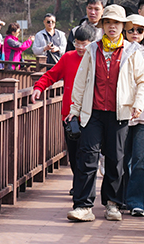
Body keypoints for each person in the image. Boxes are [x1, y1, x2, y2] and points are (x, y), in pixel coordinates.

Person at [65, 4, 144, 223]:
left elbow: (142, 81)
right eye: (108, 22)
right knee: (88, 157)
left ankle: (113, 204)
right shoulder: (92, 49)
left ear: (123, 26)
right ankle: (83, 205)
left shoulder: (132, 51)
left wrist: (137, 104)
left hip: (118, 113)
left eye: (117, 23)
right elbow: (81, 82)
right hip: (92, 112)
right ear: (102, 25)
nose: (112, 27)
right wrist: (74, 110)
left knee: (115, 159)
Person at [31, 23, 98, 193]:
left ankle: (83, 189)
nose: (81, 47)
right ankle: (79, 184)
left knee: (87, 154)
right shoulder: (68, 57)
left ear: (92, 42)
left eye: (85, 44)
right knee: (74, 154)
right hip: (70, 116)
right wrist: (39, 87)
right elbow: (51, 75)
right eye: (77, 43)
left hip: (91, 115)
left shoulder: (97, 59)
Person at [122, 14, 144, 217]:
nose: (135, 34)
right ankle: (120, 198)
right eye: (131, 30)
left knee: (141, 159)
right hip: (123, 111)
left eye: (140, 30)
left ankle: (138, 202)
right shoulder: (118, 51)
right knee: (120, 158)